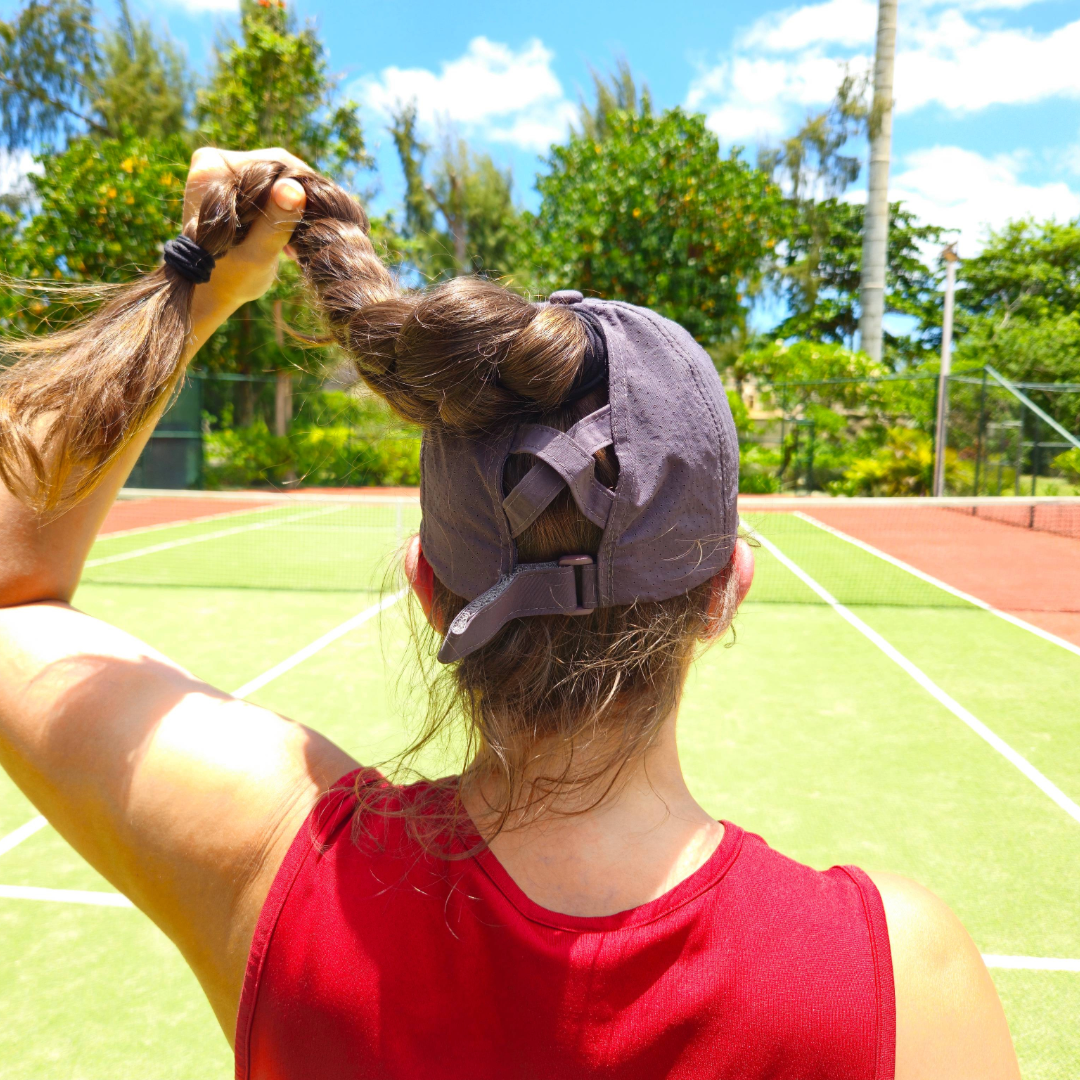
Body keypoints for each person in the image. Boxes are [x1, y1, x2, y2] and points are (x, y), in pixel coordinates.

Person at [0, 147, 1019, 1080]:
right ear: (724, 592)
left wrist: (208, 288)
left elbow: (13, 585)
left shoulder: (278, 869)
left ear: (428, 585)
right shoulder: (900, 981)